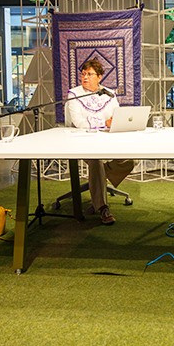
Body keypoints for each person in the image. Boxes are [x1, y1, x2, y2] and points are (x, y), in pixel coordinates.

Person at [65, 58, 134, 225]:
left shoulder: (109, 94)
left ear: (100, 76)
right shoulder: (73, 94)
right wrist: (105, 123)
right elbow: (79, 123)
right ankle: (102, 207)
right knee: (95, 161)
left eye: (89, 74)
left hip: (107, 140)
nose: (85, 77)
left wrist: (114, 123)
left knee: (129, 160)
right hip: (83, 140)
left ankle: (99, 180)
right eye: (83, 74)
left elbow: (117, 116)